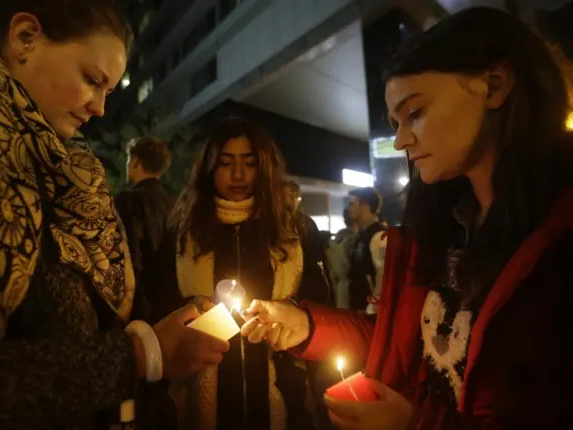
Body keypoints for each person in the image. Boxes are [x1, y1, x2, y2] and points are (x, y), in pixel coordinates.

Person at [240, 7, 573, 430]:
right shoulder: (441, 230)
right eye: (396, 122)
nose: (399, 140)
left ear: (495, 85)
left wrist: (416, 424)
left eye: (415, 113)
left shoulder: (557, 242)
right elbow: (403, 344)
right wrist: (306, 325)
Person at [0, 1, 228, 429]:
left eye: (108, 91)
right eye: (92, 81)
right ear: (24, 39)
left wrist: (161, 329)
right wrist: (142, 354)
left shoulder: (63, 171)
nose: (100, 108)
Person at [151, 117, 330, 430]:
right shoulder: (183, 234)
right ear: (208, 167)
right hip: (199, 396)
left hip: (284, 394)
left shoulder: (294, 230)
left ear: (265, 167)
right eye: (225, 163)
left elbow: (321, 311)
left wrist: (291, 312)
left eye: (249, 163)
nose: (238, 175)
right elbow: (159, 308)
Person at [115, 136, 176, 321]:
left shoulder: (127, 201)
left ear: (136, 162)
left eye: (128, 159)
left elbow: (130, 253)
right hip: (171, 303)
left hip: (140, 305)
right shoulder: (174, 203)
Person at [346, 188, 387, 314]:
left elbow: (383, 276)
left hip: (370, 315)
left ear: (365, 205)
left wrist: (372, 308)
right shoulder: (362, 236)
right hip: (360, 311)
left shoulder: (379, 236)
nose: (349, 208)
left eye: (352, 204)